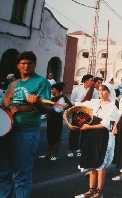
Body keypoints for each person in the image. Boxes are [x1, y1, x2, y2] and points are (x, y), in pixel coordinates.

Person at [0, 51, 51, 198]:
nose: (26, 66)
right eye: (23, 63)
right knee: (4, 172)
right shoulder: (13, 83)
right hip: (7, 131)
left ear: (34, 65)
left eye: (29, 63)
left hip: (26, 132)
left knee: (22, 174)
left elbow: (47, 109)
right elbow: (5, 104)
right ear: (18, 65)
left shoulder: (41, 82)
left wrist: (38, 102)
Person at [65, 84, 120, 198]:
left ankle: (99, 193)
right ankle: (91, 190)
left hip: (104, 137)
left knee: (100, 164)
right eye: (100, 90)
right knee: (92, 164)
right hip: (91, 136)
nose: (101, 92)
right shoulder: (94, 102)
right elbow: (78, 106)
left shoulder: (112, 107)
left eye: (104, 90)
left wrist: (89, 127)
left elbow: (108, 125)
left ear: (109, 92)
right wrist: (67, 112)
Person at [68, 74, 99, 158]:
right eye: (91, 80)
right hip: (77, 112)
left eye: (93, 80)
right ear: (85, 81)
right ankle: (72, 149)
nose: (92, 82)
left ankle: (80, 149)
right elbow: (72, 100)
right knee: (74, 131)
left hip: (87, 113)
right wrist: (78, 106)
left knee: (85, 131)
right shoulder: (77, 89)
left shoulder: (95, 91)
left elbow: (95, 102)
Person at [40, 83, 72, 161]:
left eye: (52, 89)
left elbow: (70, 106)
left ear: (57, 90)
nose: (51, 90)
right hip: (50, 120)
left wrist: (64, 110)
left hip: (57, 121)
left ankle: (54, 154)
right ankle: (49, 153)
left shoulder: (63, 98)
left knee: (56, 137)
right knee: (50, 137)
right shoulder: (52, 98)